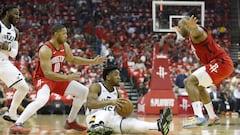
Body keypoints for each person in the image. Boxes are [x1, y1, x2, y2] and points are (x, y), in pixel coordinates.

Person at [9, 24, 106, 134]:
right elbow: (48, 74)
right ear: (56, 34)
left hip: (58, 77)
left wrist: (92, 61)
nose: (66, 36)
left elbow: (72, 59)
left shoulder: (65, 46)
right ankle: (17, 124)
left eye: (66, 33)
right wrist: (67, 77)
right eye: (64, 33)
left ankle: (70, 121)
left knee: (83, 91)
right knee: (42, 100)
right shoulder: (45, 49)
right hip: (44, 79)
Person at [176, 16, 234, 127]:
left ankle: (199, 117)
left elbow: (198, 32)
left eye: (180, 26)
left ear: (186, 25)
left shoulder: (196, 34)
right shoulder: (192, 39)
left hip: (221, 63)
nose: (178, 29)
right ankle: (212, 116)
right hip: (220, 64)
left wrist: (194, 28)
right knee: (199, 87)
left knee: (189, 82)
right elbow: (203, 60)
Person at [85, 66, 172, 135]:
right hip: (94, 118)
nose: (119, 77)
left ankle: (159, 125)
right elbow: (90, 104)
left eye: (119, 75)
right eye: (116, 75)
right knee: (105, 112)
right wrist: (111, 102)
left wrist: (125, 112)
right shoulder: (97, 86)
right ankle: (95, 128)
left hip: (111, 122)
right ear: (107, 77)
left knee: (132, 123)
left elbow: (118, 112)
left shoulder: (117, 93)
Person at [0, 5, 30, 123]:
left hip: (3, 63)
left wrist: (5, 47)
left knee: (23, 87)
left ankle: (12, 113)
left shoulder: (15, 32)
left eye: (18, 14)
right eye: (15, 14)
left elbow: (14, 54)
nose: (17, 17)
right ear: (7, 13)